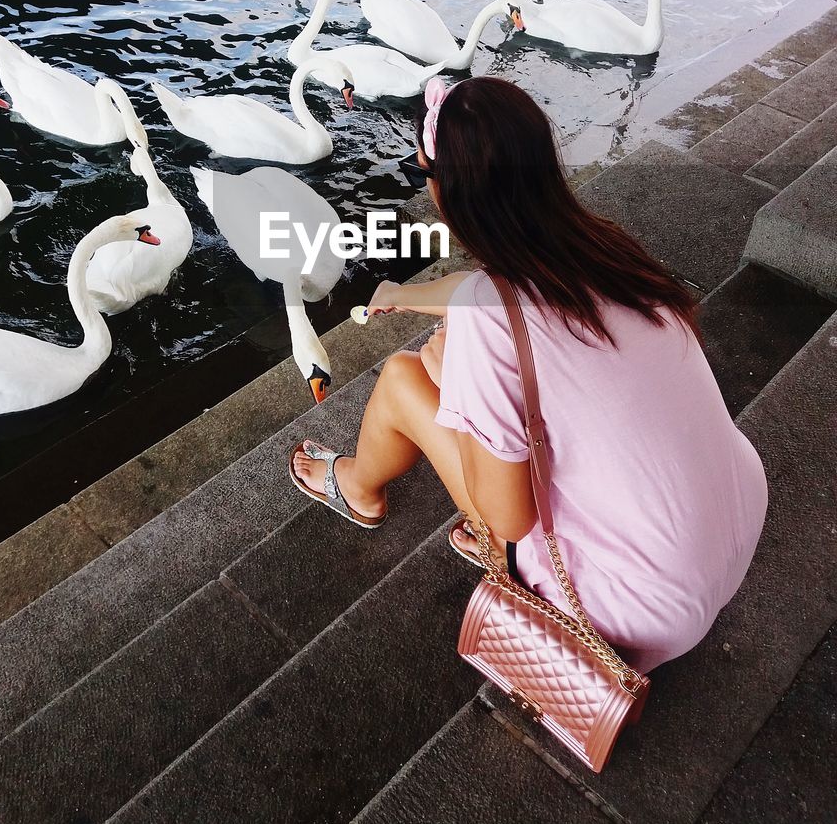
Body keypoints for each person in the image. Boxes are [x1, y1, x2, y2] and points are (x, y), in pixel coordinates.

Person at [289, 76, 767, 672]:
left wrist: (457, 393)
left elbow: (509, 516)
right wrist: (405, 296)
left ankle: (358, 486)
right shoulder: (602, 249)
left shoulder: (487, 321)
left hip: (644, 612)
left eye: (425, 175)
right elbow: (492, 295)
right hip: (734, 521)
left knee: (403, 379)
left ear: (446, 194)